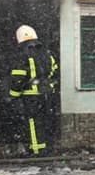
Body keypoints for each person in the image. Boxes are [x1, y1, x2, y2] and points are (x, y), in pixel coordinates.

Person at [8, 25, 58, 155]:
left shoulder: (22, 54)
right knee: (45, 121)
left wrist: (13, 94)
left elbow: (19, 77)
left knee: (32, 123)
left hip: (31, 96)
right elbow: (54, 72)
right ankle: (47, 148)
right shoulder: (46, 53)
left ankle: (36, 151)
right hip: (47, 94)